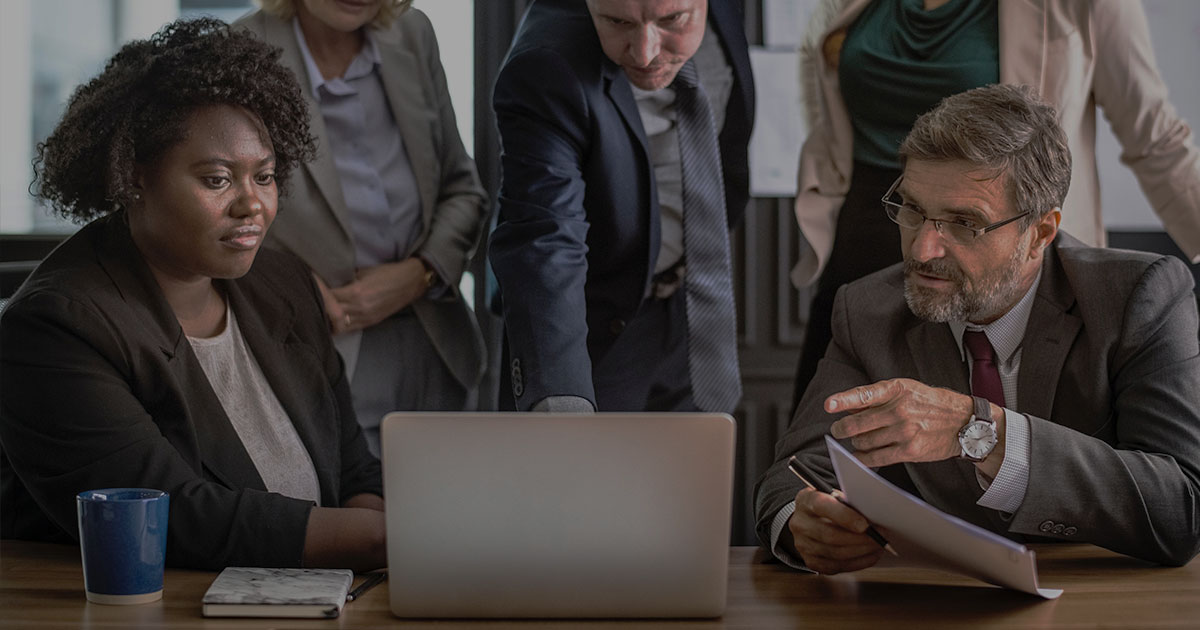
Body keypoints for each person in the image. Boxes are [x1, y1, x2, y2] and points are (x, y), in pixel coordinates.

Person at [755, 84, 1200, 573]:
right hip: (933, 601)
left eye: (964, 223)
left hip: (1104, 600)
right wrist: (803, 522)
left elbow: (1182, 509)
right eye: (913, 210)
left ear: (1040, 233)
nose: (922, 250)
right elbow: (796, 472)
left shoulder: (1137, 297)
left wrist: (981, 432)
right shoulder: (866, 308)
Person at [0, 18, 386, 571]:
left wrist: (370, 557)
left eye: (266, 176)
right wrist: (380, 541)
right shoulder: (57, 327)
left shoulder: (285, 284)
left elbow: (354, 471)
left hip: (318, 598)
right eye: (217, 179)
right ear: (132, 178)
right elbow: (173, 518)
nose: (252, 205)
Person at [790, 0, 1200, 412]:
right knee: (830, 443)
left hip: (999, 252)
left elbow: (1157, 140)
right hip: (867, 240)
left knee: (998, 446)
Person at [236, 0, 488, 454]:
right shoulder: (241, 50)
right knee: (360, 519)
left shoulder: (413, 33)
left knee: (451, 518)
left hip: (437, 343)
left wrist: (421, 272)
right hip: (316, 346)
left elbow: (463, 189)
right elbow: (220, 214)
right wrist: (296, 288)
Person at [489, 0, 754, 413]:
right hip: (593, 331)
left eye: (671, 20)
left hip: (695, 308)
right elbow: (545, 239)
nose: (645, 53)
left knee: (696, 473)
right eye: (617, 22)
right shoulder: (545, 65)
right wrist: (561, 398)